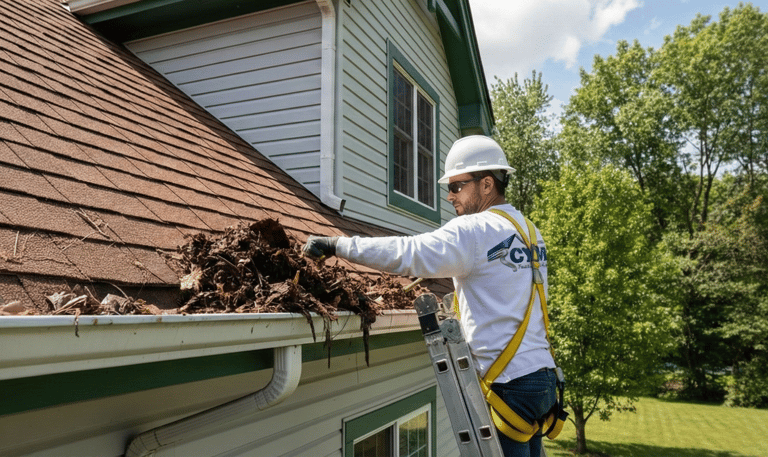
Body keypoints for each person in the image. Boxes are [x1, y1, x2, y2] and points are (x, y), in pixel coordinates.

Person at [303, 135, 557, 457]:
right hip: (542, 377)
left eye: (456, 186)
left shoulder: (474, 230)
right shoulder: (531, 232)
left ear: (487, 184)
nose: (450, 196)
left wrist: (337, 245)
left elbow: (408, 252)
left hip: (508, 384)